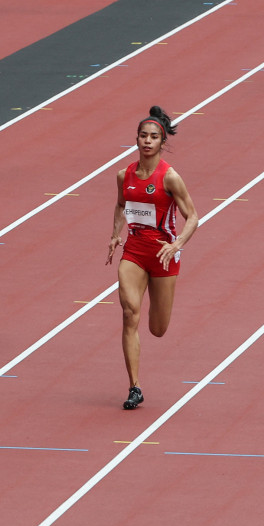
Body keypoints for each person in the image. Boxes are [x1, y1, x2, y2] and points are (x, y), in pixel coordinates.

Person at [106, 106, 199, 409]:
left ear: (162, 142)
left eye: (154, 137)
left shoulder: (170, 178)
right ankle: (134, 387)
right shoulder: (125, 175)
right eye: (143, 136)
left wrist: (178, 243)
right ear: (136, 140)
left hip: (163, 255)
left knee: (157, 329)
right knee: (129, 312)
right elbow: (121, 206)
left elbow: (193, 216)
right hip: (133, 251)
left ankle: (154, 312)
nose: (148, 141)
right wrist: (115, 234)